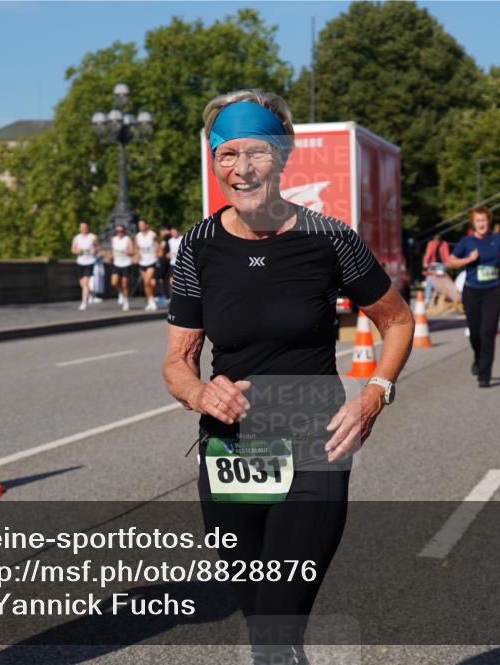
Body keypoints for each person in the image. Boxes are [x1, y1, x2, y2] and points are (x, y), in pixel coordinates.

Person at [162, 89, 413, 665]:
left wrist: (374, 395)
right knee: (265, 629)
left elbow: (397, 321)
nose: (242, 168)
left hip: (312, 445)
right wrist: (200, 392)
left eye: (256, 152)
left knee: (276, 625)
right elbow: (177, 361)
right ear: (214, 161)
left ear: (282, 156)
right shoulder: (198, 246)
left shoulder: (330, 238)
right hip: (233, 451)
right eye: (227, 154)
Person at [447, 207, 500, 387]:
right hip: (472, 291)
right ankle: (477, 356)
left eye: (484, 220)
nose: (482, 224)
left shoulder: (497, 239)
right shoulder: (467, 242)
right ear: (473, 224)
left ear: (488, 221)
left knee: (488, 332)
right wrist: (468, 259)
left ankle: (485, 374)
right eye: (478, 221)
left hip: (493, 291)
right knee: (475, 332)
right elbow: (450, 262)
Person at [71, 222, 99, 310]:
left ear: (88, 228)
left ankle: (84, 302)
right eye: (82, 227)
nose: (84, 229)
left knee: (86, 282)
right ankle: (91, 294)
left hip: (90, 262)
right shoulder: (76, 238)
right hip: (80, 262)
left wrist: (94, 251)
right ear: (79, 229)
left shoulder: (92, 237)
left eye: (85, 227)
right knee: (82, 284)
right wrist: (77, 251)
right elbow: (73, 249)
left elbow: (98, 247)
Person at [135, 219, 161, 311]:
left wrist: (157, 252)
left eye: (142, 225)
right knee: (146, 284)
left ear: (146, 225)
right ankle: (150, 301)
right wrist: (137, 255)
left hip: (151, 261)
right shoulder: (137, 236)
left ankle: (152, 300)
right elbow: (137, 248)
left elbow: (158, 246)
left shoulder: (152, 235)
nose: (140, 227)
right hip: (142, 262)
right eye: (139, 225)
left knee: (147, 282)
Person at [421, 233, 451, 308]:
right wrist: (425, 262)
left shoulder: (444, 244)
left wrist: (447, 263)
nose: (436, 243)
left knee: (441, 282)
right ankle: (427, 299)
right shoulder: (430, 244)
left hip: (441, 264)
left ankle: (441, 298)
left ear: (440, 241)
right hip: (432, 264)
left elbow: (446, 254)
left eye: (438, 242)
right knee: (429, 280)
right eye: (435, 242)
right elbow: (428, 253)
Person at [110, 224, 134, 311]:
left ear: (124, 231)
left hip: (126, 264)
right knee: (114, 282)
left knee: (124, 283)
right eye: (117, 231)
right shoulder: (114, 239)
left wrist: (128, 252)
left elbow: (132, 251)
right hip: (117, 263)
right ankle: (120, 292)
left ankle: (126, 301)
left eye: (121, 231)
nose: (119, 233)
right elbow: (113, 251)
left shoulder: (127, 239)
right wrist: (112, 256)